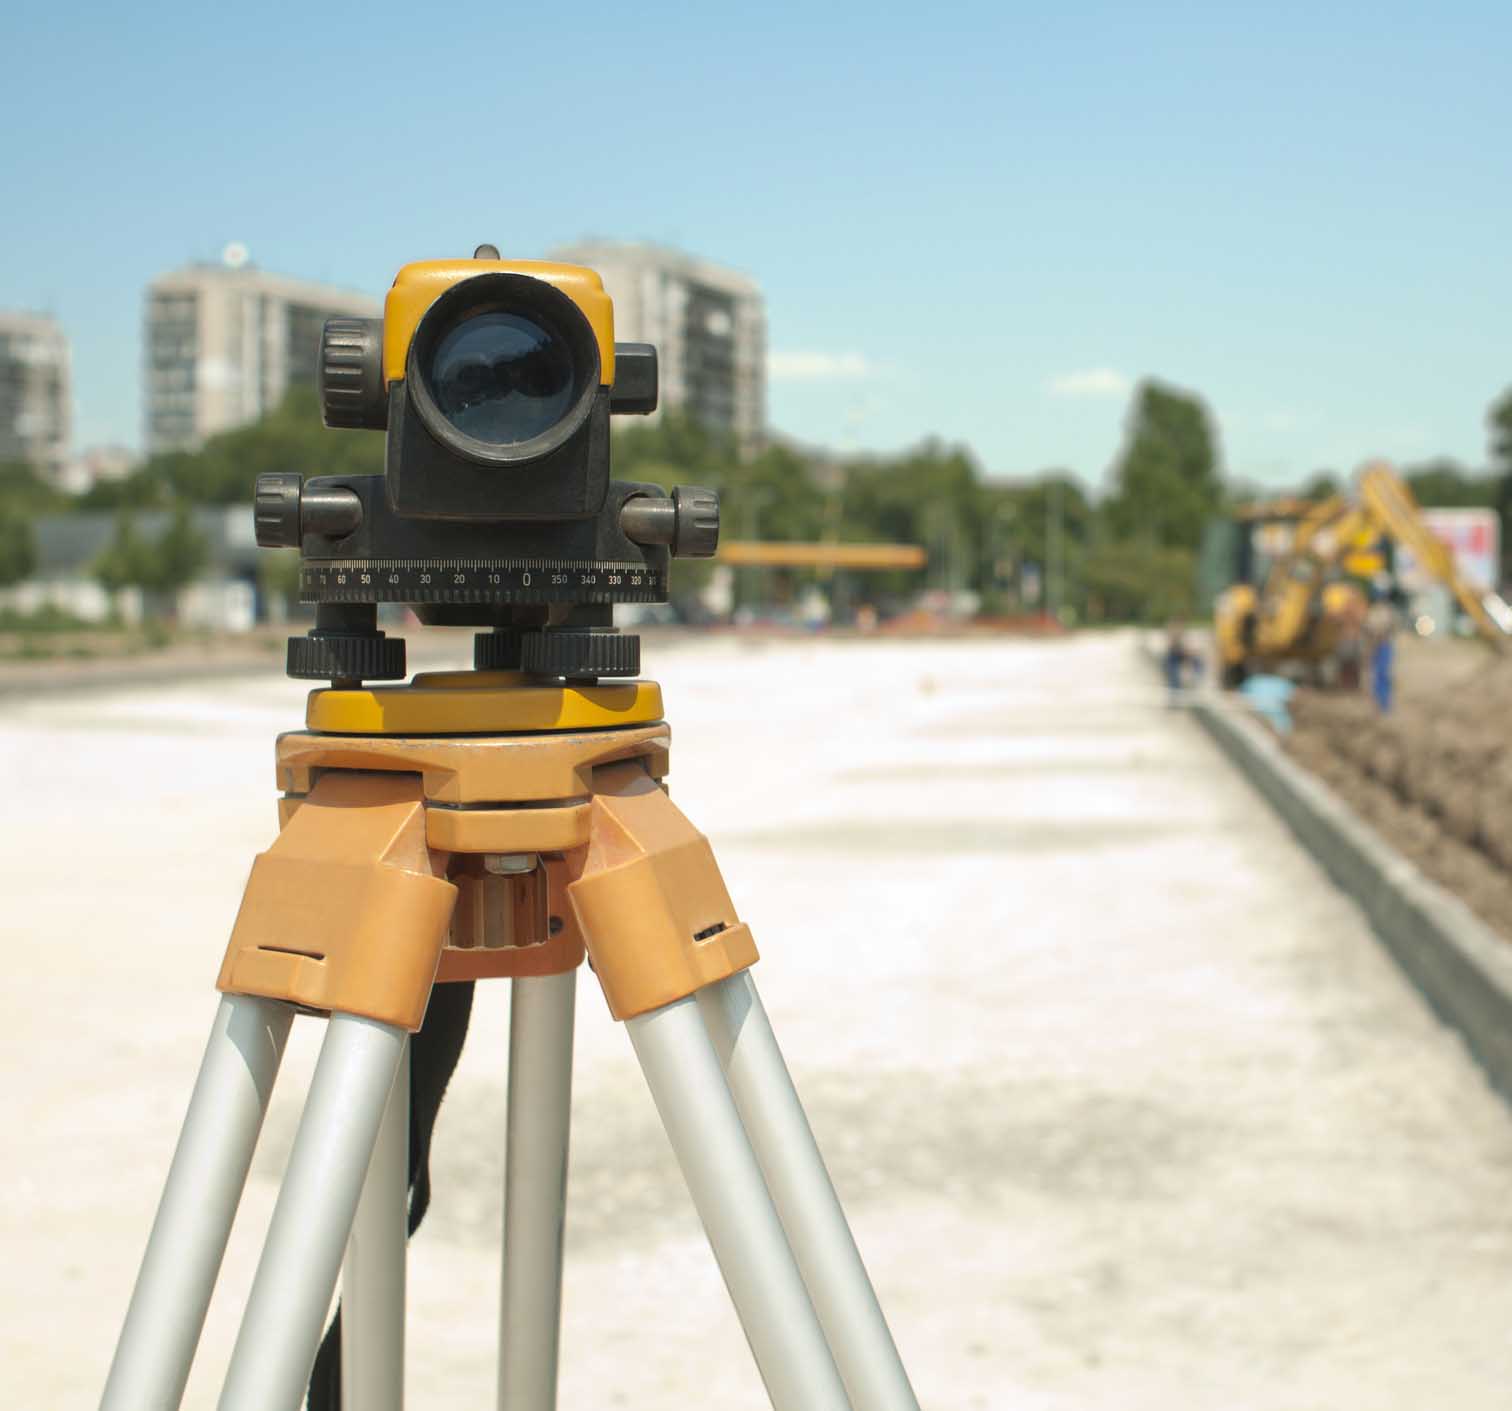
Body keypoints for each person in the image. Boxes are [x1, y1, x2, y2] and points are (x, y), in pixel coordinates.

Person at [1363, 589, 1398, 713]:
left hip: (1384, 646)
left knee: (1383, 674)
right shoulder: (1373, 611)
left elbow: (1388, 627)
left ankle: (1385, 704)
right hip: (1375, 646)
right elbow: (1368, 628)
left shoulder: (1386, 611)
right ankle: (1378, 704)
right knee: (1376, 675)